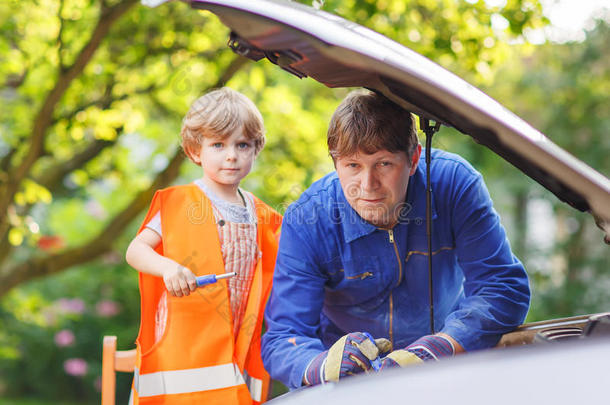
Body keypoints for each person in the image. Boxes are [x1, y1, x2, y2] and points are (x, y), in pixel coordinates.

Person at [261, 89, 530, 389]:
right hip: (350, 389)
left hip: (446, 369)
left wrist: (441, 346)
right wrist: (321, 366)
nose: (367, 185)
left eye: (384, 163)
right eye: (352, 166)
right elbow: (283, 339)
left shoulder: (454, 184)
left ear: (414, 159)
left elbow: (502, 287)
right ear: (335, 163)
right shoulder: (305, 220)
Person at [125, 87, 282, 404]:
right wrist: (168, 267)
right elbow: (135, 251)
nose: (231, 155)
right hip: (183, 348)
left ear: (256, 149)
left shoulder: (263, 215)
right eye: (218, 144)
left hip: (237, 345)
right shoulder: (181, 203)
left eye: (242, 145)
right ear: (195, 150)